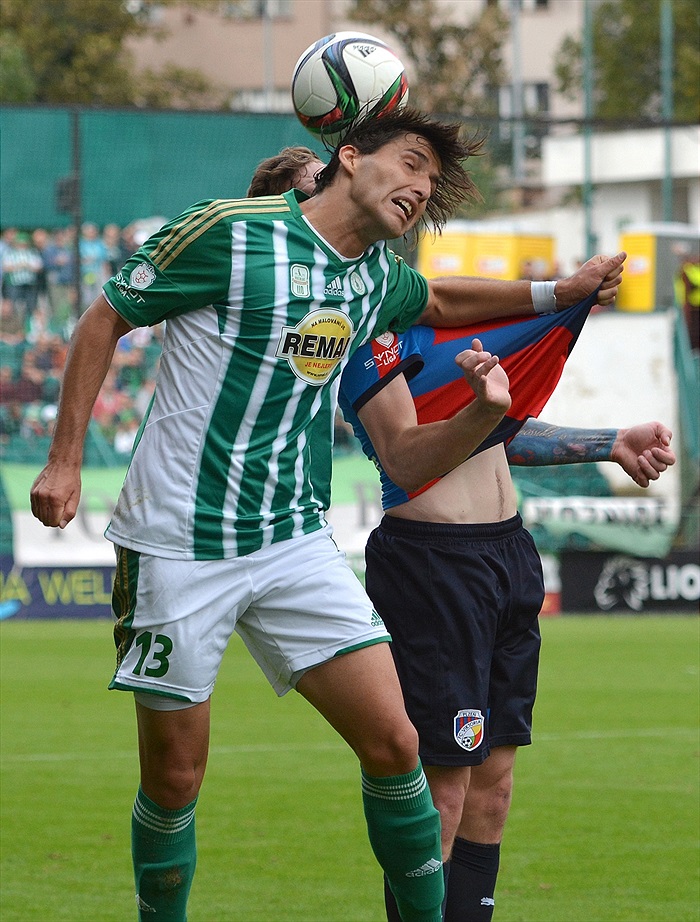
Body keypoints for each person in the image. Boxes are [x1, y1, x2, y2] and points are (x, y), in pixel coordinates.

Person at [30, 107, 626, 922]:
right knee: (174, 780)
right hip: (178, 542)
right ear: (348, 156)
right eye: (410, 164)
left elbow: (442, 299)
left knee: (398, 746)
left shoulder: (373, 277)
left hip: (293, 543)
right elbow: (106, 315)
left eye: (431, 180)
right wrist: (65, 460)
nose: (420, 187)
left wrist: (560, 290)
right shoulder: (230, 233)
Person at [338, 309, 676, 921]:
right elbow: (408, 457)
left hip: (508, 555)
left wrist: (607, 443)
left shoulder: (453, 333)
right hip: (433, 568)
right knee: (444, 788)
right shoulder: (370, 342)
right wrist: (486, 407)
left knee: (492, 792)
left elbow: (497, 432)